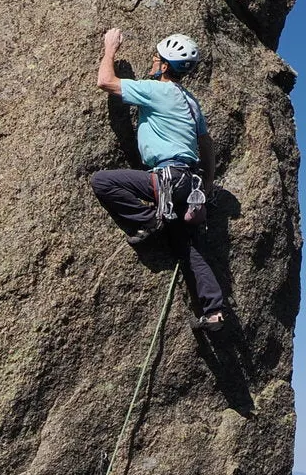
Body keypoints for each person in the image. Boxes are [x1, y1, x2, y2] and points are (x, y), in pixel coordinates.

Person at [91, 28, 225, 331]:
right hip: (189, 185)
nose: (152, 63)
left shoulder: (156, 91)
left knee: (103, 181)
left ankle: (149, 219)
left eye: (156, 60)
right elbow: (207, 146)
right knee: (187, 247)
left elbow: (105, 82)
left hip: (167, 178)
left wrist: (109, 49)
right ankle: (213, 311)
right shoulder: (191, 103)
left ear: (165, 66)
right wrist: (209, 186)